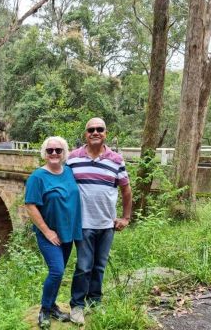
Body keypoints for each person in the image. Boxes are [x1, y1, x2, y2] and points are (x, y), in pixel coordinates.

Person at [66, 118, 132, 325]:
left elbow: (126, 190)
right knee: (84, 266)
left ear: (105, 133)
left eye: (99, 129)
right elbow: (62, 184)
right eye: (91, 129)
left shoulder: (116, 160)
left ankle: (95, 302)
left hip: (107, 224)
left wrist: (126, 217)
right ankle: (77, 306)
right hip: (83, 223)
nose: (95, 132)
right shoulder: (73, 158)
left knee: (99, 266)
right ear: (86, 134)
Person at [25, 136, 82, 329]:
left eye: (58, 150)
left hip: (68, 232)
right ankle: (45, 310)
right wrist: (47, 231)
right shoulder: (37, 177)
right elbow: (31, 206)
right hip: (49, 234)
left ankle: (53, 306)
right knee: (57, 271)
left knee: (59, 271)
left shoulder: (69, 172)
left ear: (64, 153)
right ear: (45, 154)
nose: (54, 154)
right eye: (50, 151)